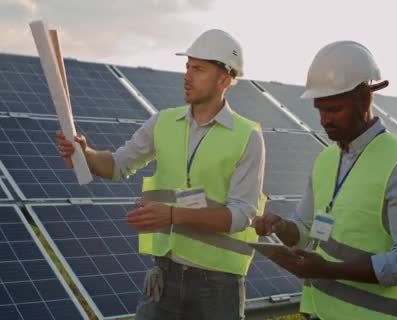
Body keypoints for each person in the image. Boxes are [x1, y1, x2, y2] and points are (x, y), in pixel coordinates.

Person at [57, 29, 266, 320]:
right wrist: (85, 153)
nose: (187, 76)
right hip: (164, 277)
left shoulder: (247, 137)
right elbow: (118, 164)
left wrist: (171, 216)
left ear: (225, 79)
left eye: (198, 69)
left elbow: (242, 215)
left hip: (218, 286)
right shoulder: (164, 122)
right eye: (187, 67)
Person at [255, 41, 397, 320]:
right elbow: (304, 232)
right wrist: (281, 227)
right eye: (320, 110)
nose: (324, 120)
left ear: (364, 99)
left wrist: (326, 270)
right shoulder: (327, 160)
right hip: (317, 313)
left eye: (334, 110)